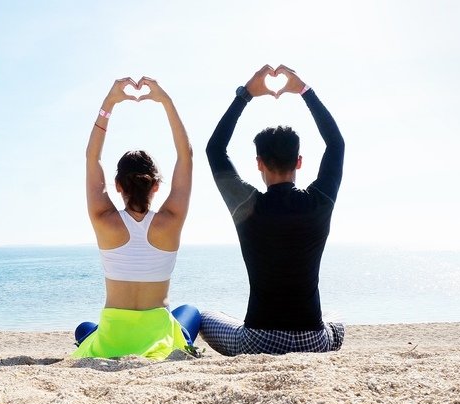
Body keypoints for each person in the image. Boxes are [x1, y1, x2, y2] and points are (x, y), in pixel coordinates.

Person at [201, 64, 345, 356]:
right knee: (337, 320)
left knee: (205, 316)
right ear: (299, 162)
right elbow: (336, 144)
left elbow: (215, 149)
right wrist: (305, 91)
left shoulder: (247, 205)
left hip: (258, 341)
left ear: (259, 164)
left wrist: (246, 95)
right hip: (313, 341)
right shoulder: (319, 202)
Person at [73, 76, 201, 360]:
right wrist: (165, 101)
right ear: (156, 185)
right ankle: (182, 343)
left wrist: (109, 103)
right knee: (189, 312)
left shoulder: (103, 219)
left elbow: (92, 158)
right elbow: (186, 155)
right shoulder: (171, 219)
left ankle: (106, 340)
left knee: (84, 329)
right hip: (157, 341)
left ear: (118, 185)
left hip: (112, 339)